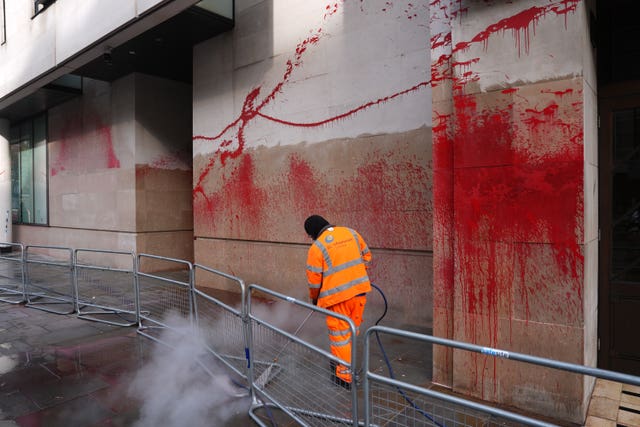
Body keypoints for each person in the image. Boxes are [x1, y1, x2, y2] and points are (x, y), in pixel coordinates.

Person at [304, 214, 371, 389]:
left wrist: (315, 297)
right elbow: (367, 257)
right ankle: (346, 363)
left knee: (340, 337)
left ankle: (344, 377)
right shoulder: (351, 233)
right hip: (359, 293)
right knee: (351, 332)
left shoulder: (317, 247)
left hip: (337, 299)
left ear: (312, 233)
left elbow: (314, 280)